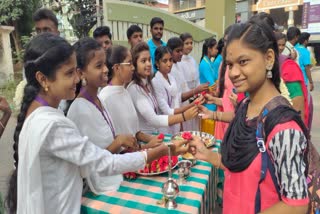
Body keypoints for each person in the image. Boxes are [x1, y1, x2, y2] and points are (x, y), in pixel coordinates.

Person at [5, 33, 189, 214]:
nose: (76, 79)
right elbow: (101, 162)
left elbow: (89, 161)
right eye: (69, 73)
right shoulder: (52, 124)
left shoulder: (43, 115)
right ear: (43, 79)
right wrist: (160, 151)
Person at [192, 21, 309, 213]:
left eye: (243, 61)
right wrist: (209, 156)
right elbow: (240, 168)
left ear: (269, 58)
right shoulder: (246, 106)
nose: (234, 73)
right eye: (230, 64)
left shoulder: (283, 127)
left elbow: (297, 205)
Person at [127, 42, 199, 134]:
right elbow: (153, 119)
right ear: (134, 64)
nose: (148, 64)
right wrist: (184, 116)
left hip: (155, 134)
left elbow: (176, 99)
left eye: (149, 60)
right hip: (147, 137)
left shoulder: (147, 84)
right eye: (143, 61)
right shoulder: (135, 89)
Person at [99, 45, 162, 148]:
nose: (133, 68)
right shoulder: (105, 98)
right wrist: (147, 146)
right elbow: (115, 145)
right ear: (117, 68)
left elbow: (135, 133)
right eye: (129, 63)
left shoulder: (125, 91)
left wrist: (153, 139)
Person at [152, 46, 203, 134]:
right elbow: (167, 111)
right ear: (157, 63)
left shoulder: (171, 78)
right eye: (165, 61)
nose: (169, 64)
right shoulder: (155, 82)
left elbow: (177, 100)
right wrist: (192, 105)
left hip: (177, 123)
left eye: (170, 60)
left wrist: (181, 124)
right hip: (164, 127)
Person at [167, 37, 208, 131]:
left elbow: (184, 87)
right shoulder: (170, 71)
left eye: (181, 51)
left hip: (187, 106)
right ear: (170, 51)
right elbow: (177, 97)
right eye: (178, 51)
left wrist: (196, 95)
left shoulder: (178, 65)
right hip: (179, 111)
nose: (181, 53)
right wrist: (195, 91)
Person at [275, 32, 309, 127]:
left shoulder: (287, 65)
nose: (281, 48)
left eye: (283, 45)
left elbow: (298, 102)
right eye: (279, 45)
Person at [199, 37, 219, 111]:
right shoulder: (205, 64)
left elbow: (216, 79)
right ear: (209, 49)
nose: (217, 51)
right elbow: (212, 86)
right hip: (208, 102)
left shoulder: (210, 62)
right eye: (216, 48)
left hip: (212, 99)